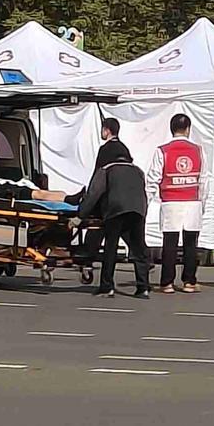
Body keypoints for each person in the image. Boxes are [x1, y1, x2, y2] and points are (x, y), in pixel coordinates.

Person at [78, 122, 150, 298]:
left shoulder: (107, 169)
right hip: (137, 209)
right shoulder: (138, 171)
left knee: (110, 247)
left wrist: (81, 214)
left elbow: (94, 192)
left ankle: (107, 286)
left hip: (115, 209)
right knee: (138, 249)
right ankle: (143, 288)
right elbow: (143, 194)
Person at [147, 110, 207, 293]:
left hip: (170, 202)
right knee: (190, 244)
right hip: (192, 202)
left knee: (170, 244)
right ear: (188, 129)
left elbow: (153, 179)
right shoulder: (198, 150)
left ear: (171, 129)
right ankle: (189, 281)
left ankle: (167, 283)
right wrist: (202, 203)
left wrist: (147, 201)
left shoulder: (162, 151)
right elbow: (204, 180)